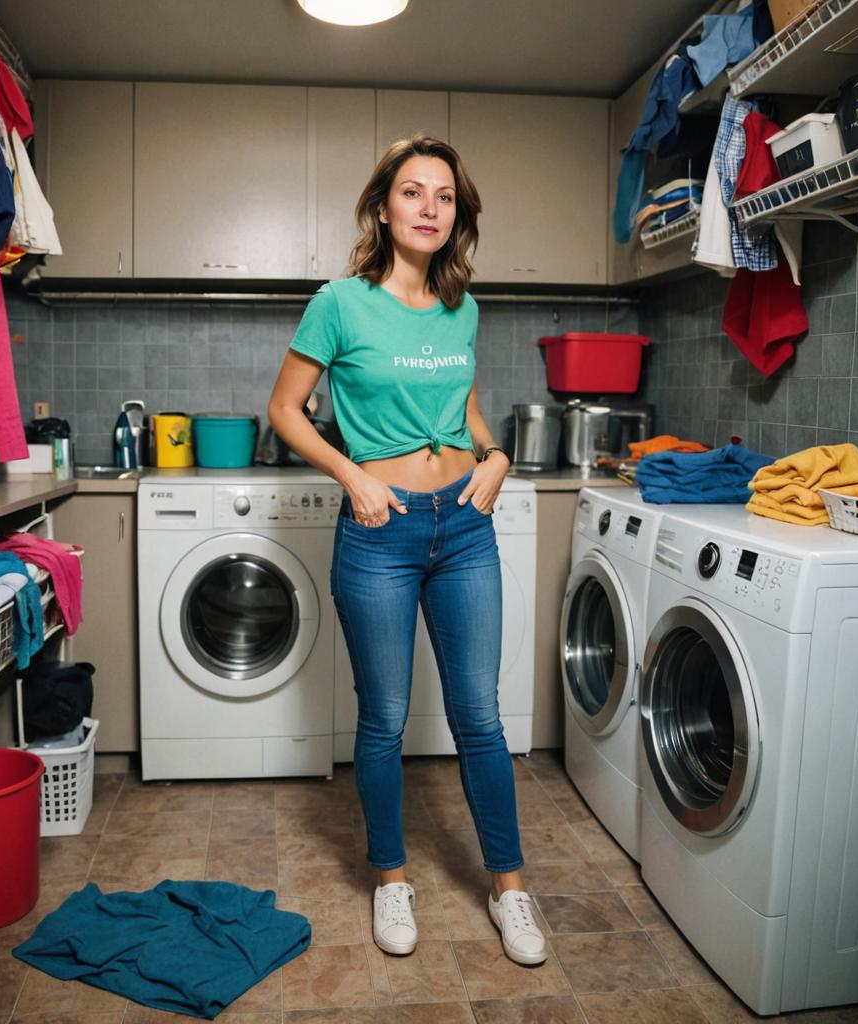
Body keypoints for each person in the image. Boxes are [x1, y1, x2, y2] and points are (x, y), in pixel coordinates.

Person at [267, 134, 545, 966]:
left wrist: (497, 457)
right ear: (383, 207)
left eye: (445, 197)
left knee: (480, 716)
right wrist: (352, 474)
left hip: (464, 525)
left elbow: (462, 408)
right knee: (384, 719)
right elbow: (285, 409)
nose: (430, 208)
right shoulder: (340, 303)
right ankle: (391, 878)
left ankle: (510, 890)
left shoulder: (465, 306)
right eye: (414, 192)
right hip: (380, 533)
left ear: (457, 214)